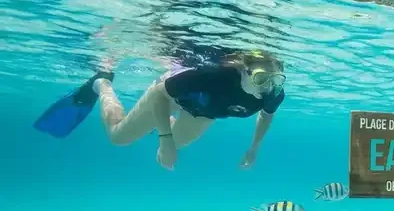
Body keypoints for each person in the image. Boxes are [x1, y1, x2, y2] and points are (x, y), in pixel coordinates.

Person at [34, 49, 285, 171]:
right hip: (168, 96)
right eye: (263, 78)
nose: (269, 87)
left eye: (276, 80)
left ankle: (156, 126)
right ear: (244, 70)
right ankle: (102, 84)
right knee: (119, 137)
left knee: (176, 145)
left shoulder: (271, 94)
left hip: (204, 112)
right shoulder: (210, 76)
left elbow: (266, 116)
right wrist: (165, 139)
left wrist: (253, 149)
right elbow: (159, 95)